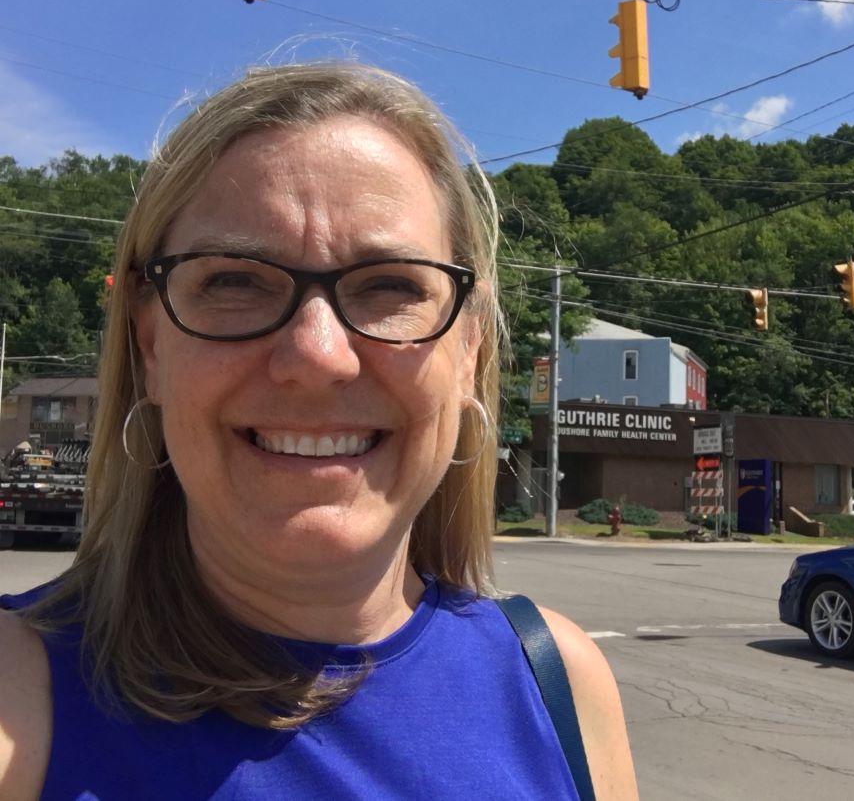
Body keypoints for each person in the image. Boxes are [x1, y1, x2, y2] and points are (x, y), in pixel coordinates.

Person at [0, 62, 638, 799]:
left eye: (392, 284)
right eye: (234, 280)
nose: (317, 356)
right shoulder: (21, 698)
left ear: (470, 351)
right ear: (149, 346)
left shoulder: (560, 684)